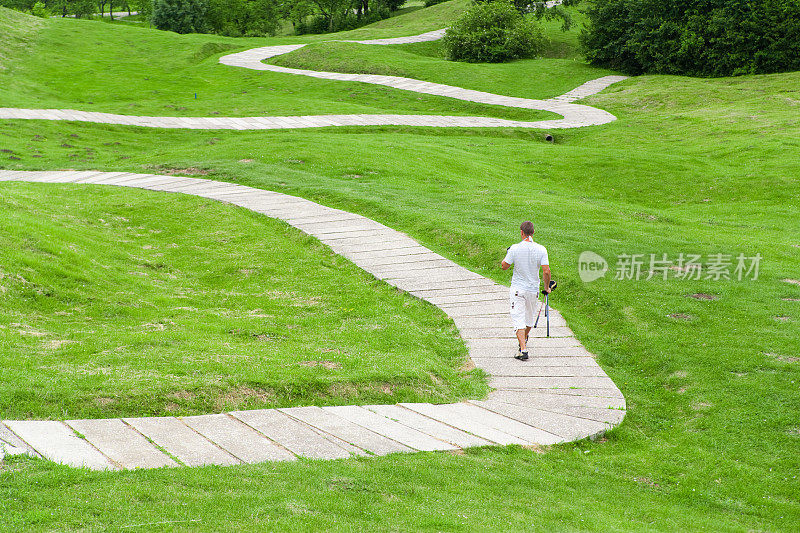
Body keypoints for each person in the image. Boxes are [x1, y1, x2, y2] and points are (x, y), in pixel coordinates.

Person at [501, 221, 551, 361]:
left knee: (518, 317)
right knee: (529, 319)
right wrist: (546, 287)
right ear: (533, 233)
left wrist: (508, 253)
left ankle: (523, 350)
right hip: (533, 289)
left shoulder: (515, 248)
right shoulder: (542, 249)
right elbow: (546, 271)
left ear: (522, 232)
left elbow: (504, 266)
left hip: (518, 289)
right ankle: (524, 340)